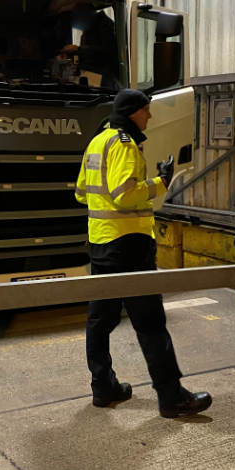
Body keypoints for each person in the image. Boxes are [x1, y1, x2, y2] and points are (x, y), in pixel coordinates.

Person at [75, 88, 213, 418]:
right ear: (133, 112)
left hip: (101, 243)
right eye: (146, 111)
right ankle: (171, 396)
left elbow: (82, 193)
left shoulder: (98, 141)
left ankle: (103, 387)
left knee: (100, 320)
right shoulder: (123, 143)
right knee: (150, 322)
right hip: (129, 246)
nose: (150, 116)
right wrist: (160, 182)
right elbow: (125, 195)